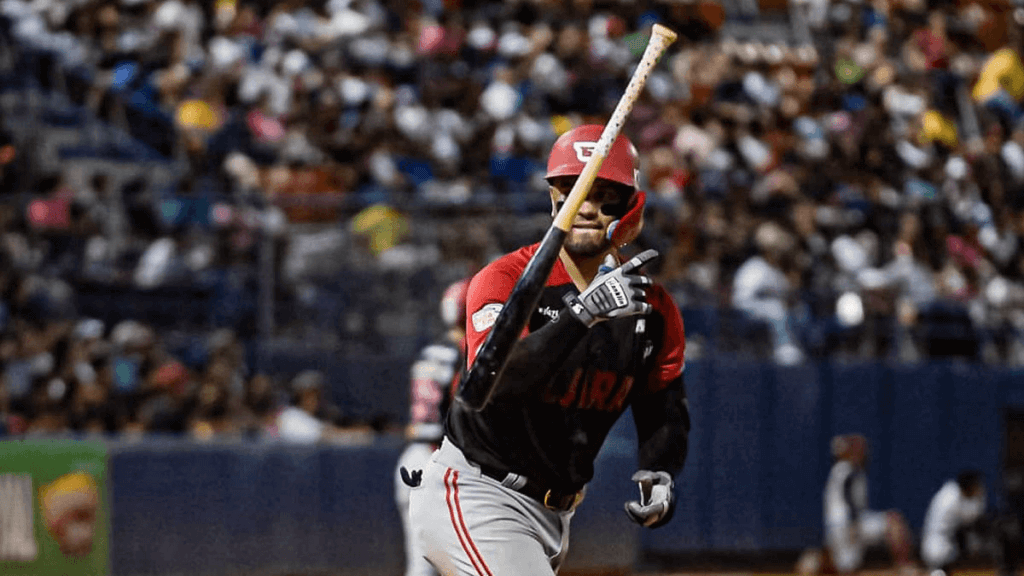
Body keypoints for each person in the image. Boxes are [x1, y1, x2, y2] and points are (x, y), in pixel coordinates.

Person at [407, 124, 690, 574]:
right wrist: (582, 316)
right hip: (480, 492)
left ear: (631, 206)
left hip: (556, 512)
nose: (587, 208)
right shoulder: (504, 280)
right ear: (555, 199)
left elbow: (664, 406)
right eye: (573, 191)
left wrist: (661, 471)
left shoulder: (652, 308)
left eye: (605, 196)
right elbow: (489, 385)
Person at [394, 278, 470, 576]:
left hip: (413, 458)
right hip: (442, 460)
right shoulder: (464, 351)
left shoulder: (430, 351)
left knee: (420, 564)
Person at [823, 434, 918, 576]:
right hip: (851, 524)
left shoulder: (837, 471)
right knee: (894, 520)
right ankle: (904, 566)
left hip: (837, 527)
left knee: (849, 571)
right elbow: (848, 497)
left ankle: (813, 563)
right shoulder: (847, 469)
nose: (863, 453)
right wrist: (853, 522)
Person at [921, 470, 988, 576]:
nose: (979, 488)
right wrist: (980, 498)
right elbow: (974, 518)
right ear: (969, 486)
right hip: (939, 547)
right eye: (976, 486)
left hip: (937, 543)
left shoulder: (950, 490)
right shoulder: (952, 499)